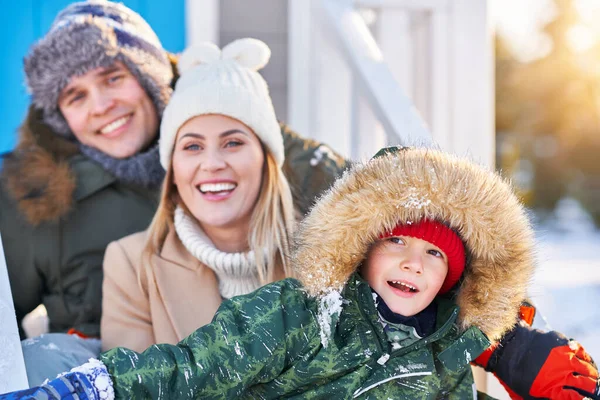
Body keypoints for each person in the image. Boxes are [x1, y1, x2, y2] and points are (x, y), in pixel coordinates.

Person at [2, 147, 598, 399]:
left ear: (454, 278)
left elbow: (500, 336)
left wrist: (525, 348)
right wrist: (96, 386)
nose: (414, 262)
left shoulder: (450, 344)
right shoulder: (299, 314)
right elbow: (193, 366)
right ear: (361, 248)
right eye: (396, 241)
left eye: (437, 254)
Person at [0, 0, 347, 387]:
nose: (101, 105)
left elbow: (360, 193)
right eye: (75, 96)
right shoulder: (32, 192)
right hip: (123, 367)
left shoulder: (221, 113)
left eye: (113, 78)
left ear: (150, 77)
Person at [100, 37, 297, 352]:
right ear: (174, 171)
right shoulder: (131, 264)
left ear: (266, 159)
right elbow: (134, 386)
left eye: (233, 142)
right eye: (192, 146)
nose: (212, 164)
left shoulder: (324, 257)